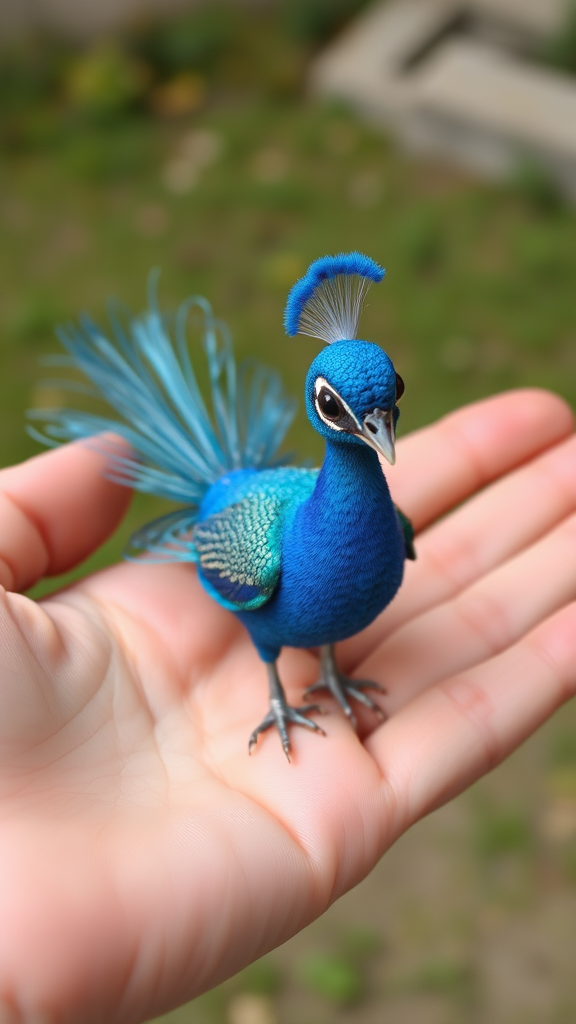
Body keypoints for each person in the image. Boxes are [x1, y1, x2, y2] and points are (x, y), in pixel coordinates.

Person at [0, 388, 575, 1024]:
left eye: (385, 413)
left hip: (329, 546)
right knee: (283, 625)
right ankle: (280, 696)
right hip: (266, 552)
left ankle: (329, 667)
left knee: (350, 570)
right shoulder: (256, 546)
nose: (378, 432)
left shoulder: (390, 523)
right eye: (358, 417)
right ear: (326, 411)